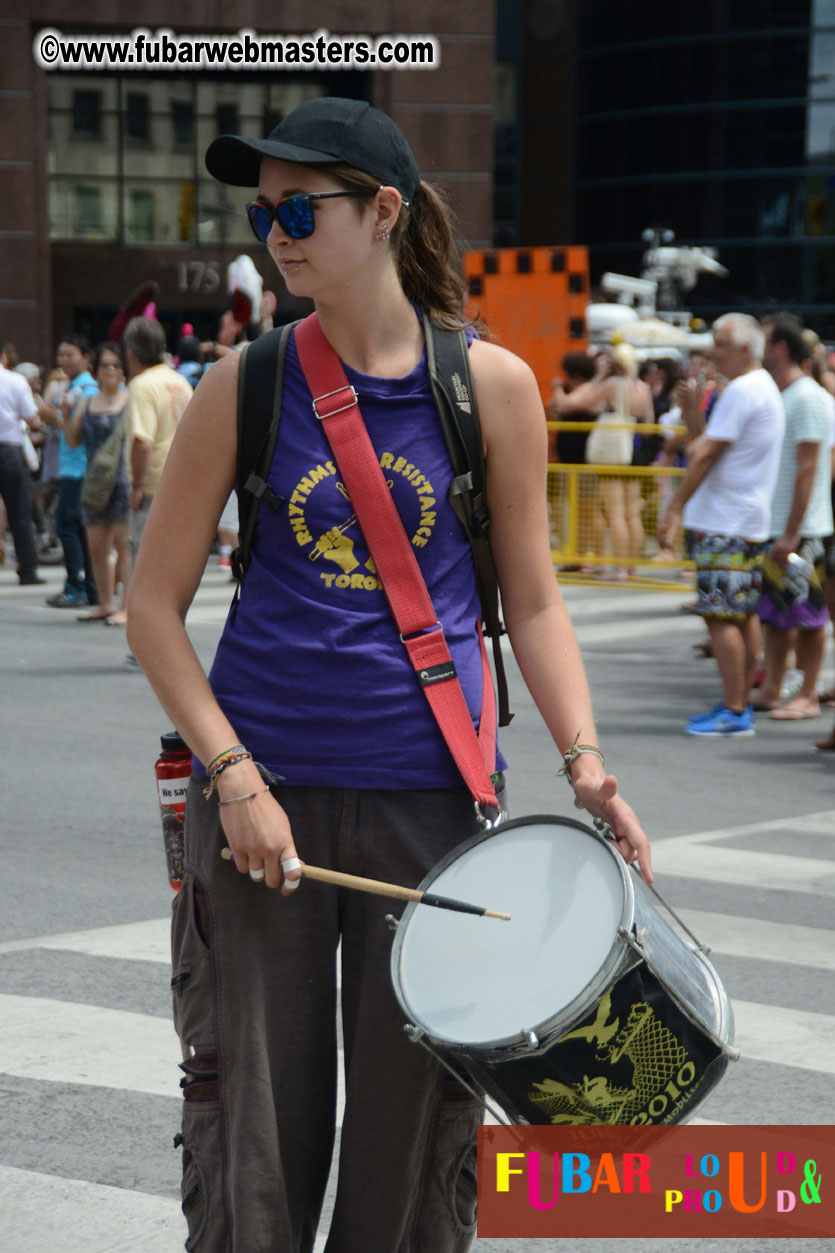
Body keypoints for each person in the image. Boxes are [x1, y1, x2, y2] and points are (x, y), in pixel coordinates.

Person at [126, 97, 652, 1253]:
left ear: (384, 211)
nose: (279, 231)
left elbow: (534, 600)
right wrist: (233, 775)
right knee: (253, 1146)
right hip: (261, 805)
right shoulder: (243, 385)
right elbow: (151, 610)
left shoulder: (491, 389)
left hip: (433, 806)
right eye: (265, 211)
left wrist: (587, 762)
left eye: (303, 207)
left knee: (413, 1152)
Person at [658, 313, 785, 737]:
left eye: (721, 341)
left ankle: (734, 708)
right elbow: (707, 445)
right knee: (740, 613)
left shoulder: (743, 390)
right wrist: (694, 414)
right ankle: (738, 703)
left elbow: (704, 455)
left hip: (724, 520)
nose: (713, 350)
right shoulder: (757, 387)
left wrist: (675, 507)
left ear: (745, 348)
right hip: (744, 519)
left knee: (721, 617)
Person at [551, 342, 653, 579]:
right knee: (632, 513)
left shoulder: (612, 384)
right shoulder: (643, 387)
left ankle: (618, 569)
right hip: (635, 450)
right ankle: (630, 567)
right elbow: (648, 427)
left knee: (615, 513)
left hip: (615, 454)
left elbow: (569, 404)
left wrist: (596, 378)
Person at [63, 342, 131, 623]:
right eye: (105, 365)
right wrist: (66, 413)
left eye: (116, 365)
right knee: (97, 547)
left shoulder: (130, 400)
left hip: (123, 482)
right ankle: (105, 603)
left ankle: (126, 607)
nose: (111, 370)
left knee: (123, 546)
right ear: (97, 370)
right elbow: (72, 439)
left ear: (124, 371)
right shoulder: (87, 402)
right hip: (93, 484)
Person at [40, 335, 100, 608]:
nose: (63, 359)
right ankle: (88, 586)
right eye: (61, 354)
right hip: (73, 467)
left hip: (78, 469)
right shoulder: (76, 386)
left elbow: (75, 431)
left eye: (70, 354)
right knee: (76, 527)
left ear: (86, 358)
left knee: (68, 525)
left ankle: (77, 586)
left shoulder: (85, 389)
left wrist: (49, 412)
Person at [0, 340, 44, 584]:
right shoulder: (15, 381)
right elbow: (32, 417)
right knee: (20, 513)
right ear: (3, 355)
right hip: (9, 451)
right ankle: (27, 570)